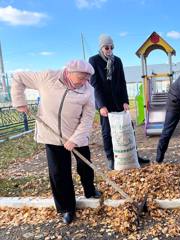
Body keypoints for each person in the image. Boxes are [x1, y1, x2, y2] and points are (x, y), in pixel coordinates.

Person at [11, 60, 101, 224]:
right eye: (81, 78)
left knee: (85, 165)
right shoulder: (47, 77)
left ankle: (89, 189)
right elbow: (18, 77)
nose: (84, 82)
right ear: (68, 72)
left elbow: (88, 117)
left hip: (76, 134)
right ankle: (67, 208)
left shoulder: (88, 90)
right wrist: (19, 101)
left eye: (87, 79)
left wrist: (74, 139)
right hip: (52, 135)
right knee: (59, 173)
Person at [89, 34, 150, 170]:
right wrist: (101, 105)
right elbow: (95, 84)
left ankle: (134, 155)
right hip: (105, 103)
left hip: (118, 101)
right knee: (107, 131)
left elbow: (122, 82)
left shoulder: (118, 61)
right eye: (106, 47)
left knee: (128, 128)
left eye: (111, 47)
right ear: (101, 47)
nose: (109, 49)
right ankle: (111, 158)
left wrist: (125, 101)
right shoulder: (94, 60)